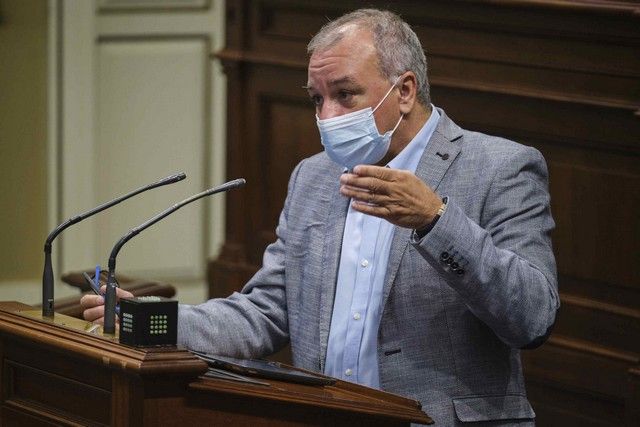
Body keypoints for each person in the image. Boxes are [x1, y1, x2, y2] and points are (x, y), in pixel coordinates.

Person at [82, 8, 558, 425]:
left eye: (345, 94)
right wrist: (149, 321)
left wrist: (436, 220)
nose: (328, 116)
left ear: (406, 90)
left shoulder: (499, 167)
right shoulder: (314, 177)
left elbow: (532, 318)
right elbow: (265, 313)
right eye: (316, 98)